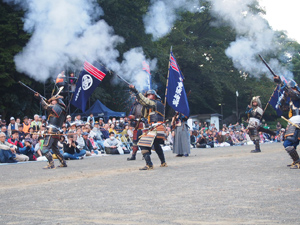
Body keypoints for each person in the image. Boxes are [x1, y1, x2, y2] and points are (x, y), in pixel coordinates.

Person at [129, 85, 167, 170]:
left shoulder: (154, 103)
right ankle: (163, 162)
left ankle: (149, 164)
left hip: (155, 127)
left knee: (143, 144)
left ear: (153, 95)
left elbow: (145, 101)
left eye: (148, 95)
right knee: (156, 145)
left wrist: (136, 91)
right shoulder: (158, 104)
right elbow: (145, 113)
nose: (147, 97)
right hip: (159, 127)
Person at [34, 92, 67, 169]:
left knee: (44, 149)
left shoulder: (57, 107)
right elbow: (49, 108)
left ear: (57, 101)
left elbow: (46, 107)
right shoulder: (62, 109)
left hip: (51, 131)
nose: (52, 102)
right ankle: (63, 162)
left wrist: (40, 98)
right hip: (56, 131)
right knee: (55, 149)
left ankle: (51, 164)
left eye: (53, 100)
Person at [274, 76, 300, 169]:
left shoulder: (298, 95)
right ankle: (296, 161)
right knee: (292, 144)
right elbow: (281, 107)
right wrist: (283, 96)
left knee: (288, 144)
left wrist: (283, 84)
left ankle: (298, 162)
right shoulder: (291, 101)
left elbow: (295, 94)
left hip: (297, 122)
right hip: (293, 122)